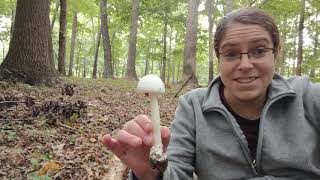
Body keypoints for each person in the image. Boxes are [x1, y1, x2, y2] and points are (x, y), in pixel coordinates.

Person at [100, 7, 320, 180]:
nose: (245, 64)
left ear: (277, 52)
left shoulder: (308, 97)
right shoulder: (193, 107)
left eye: (259, 51)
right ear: (219, 59)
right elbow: (177, 171)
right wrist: (152, 174)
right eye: (231, 54)